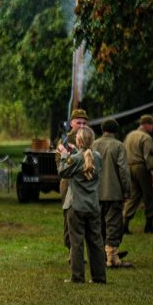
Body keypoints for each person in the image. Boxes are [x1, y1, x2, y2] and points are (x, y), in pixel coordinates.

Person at [59, 125, 106, 284]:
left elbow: (63, 172)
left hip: (76, 205)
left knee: (76, 242)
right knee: (96, 242)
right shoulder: (98, 157)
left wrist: (65, 155)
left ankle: (77, 277)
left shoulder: (76, 159)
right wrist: (75, 152)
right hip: (93, 205)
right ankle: (99, 276)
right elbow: (86, 160)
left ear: (78, 141)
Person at [96, 119, 132, 268]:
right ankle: (112, 259)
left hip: (95, 192)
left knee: (99, 225)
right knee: (113, 225)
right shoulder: (118, 145)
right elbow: (123, 170)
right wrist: (127, 191)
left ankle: (100, 256)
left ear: (103, 129)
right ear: (116, 131)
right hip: (113, 192)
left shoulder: (93, 144)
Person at [58, 108, 90, 252]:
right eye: (79, 122)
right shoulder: (66, 140)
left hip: (85, 181)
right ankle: (71, 249)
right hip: (69, 181)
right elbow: (60, 164)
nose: (82, 126)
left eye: (84, 123)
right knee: (69, 215)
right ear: (72, 123)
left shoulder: (89, 138)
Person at [123, 115, 153, 233]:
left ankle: (125, 224)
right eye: (152, 124)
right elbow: (148, 157)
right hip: (141, 168)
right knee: (150, 195)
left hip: (129, 167)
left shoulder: (129, 135)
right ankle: (149, 225)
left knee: (134, 195)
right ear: (146, 124)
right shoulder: (146, 137)